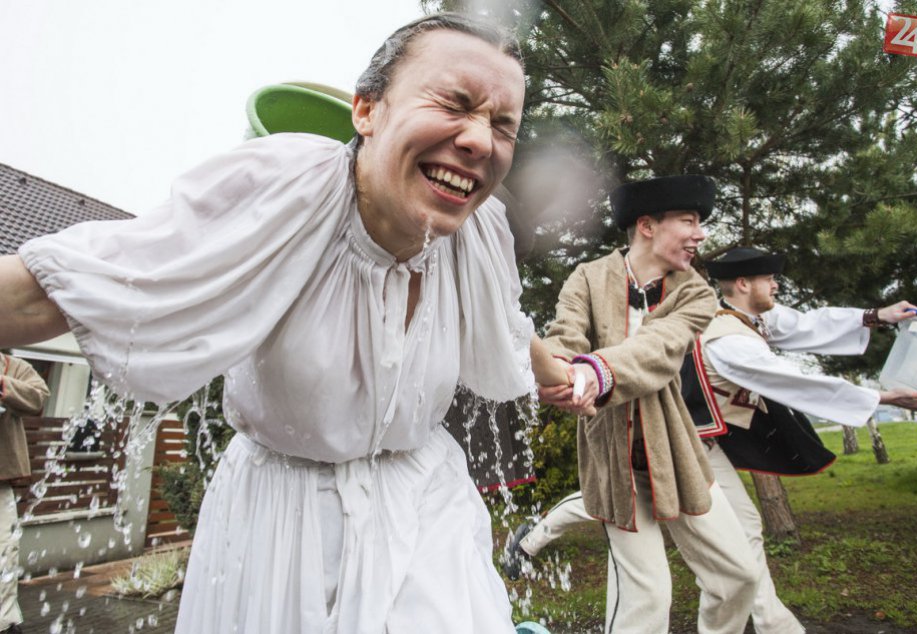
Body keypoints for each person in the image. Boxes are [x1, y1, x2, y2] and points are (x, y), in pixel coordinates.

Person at [0, 14, 573, 634]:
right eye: (454, 104)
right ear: (366, 110)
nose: (480, 141)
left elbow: (509, 325)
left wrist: (565, 377)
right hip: (281, 524)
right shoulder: (285, 191)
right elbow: (50, 294)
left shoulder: (479, 232)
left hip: (426, 507)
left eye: (502, 125)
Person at [510, 247, 917, 634]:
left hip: (704, 445)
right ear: (742, 284)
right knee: (619, 509)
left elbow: (801, 323)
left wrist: (876, 316)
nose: (776, 286)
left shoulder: (747, 321)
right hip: (680, 442)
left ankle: (773, 623)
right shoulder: (726, 338)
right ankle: (534, 535)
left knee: (729, 542)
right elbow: (788, 380)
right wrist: (881, 396)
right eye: (769, 279)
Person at [527, 175, 758, 634]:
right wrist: (557, 371)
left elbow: (659, 349)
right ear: (648, 226)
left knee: (740, 577)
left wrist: (593, 372)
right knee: (647, 600)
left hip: (678, 457)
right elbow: (566, 335)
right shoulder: (587, 278)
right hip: (615, 464)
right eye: (689, 221)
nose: (701, 233)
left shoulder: (695, 293)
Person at [0, 352, 50, 634]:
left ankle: (5, 623)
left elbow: (38, 395)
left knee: (4, 551)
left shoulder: (13, 366)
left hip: (0, 481)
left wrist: (3, 385)